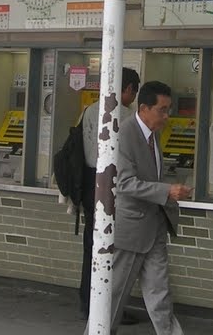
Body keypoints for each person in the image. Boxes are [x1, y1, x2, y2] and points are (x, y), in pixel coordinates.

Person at [90, 80, 192, 335]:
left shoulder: (152, 134)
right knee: (112, 298)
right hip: (131, 230)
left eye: (169, 109)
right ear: (144, 108)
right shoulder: (123, 134)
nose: (167, 116)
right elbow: (124, 183)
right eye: (163, 109)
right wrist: (166, 191)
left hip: (155, 226)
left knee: (160, 294)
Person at [79, 66, 140, 321]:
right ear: (127, 89)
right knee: (111, 248)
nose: (134, 97)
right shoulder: (126, 115)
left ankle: (87, 300)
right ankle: (106, 308)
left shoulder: (89, 110)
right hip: (114, 185)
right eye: (134, 91)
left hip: (90, 183)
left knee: (91, 245)